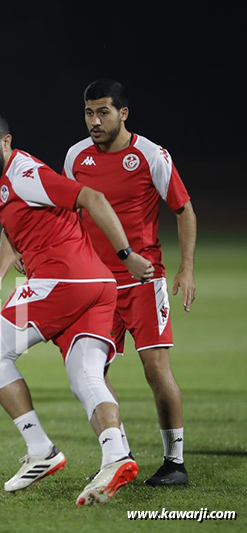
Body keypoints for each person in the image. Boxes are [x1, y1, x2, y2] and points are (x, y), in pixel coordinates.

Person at [0, 106, 155, 505]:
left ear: (6, 142)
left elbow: (92, 197)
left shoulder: (23, 173)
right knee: (84, 375)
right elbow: (11, 226)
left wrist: (127, 255)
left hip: (63, 281)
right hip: (95, 286)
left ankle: (41, 450)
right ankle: (116, 455)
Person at [62, 79, 196, 486]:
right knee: (91, 371)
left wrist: (185, 268)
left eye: (103, 112)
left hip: (142, 281)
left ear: (123, 114)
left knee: (155, 369)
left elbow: (184, 210)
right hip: (95, 284)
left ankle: (175, 463)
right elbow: (62, 207)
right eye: (89, 112)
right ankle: (119, 453)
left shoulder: (150, 155)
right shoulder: (76, 156)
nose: (95, 121)